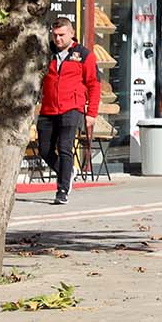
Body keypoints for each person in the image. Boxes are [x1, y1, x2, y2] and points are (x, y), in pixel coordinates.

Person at [38, 17, 98, 205]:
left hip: (72, 107)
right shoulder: (46, 53)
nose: (58, 39)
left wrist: (92, 113)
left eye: (62, 35)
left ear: (71, 34)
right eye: (55, 35)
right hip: (48, 108)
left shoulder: (83, 55)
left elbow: (94, 85)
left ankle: (62, 190)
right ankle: (68, 171)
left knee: (65, 147)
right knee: (45, 149)